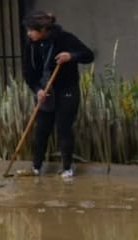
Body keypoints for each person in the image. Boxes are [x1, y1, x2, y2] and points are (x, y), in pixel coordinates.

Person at [22, 10, 95, 180]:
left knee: (64, 128)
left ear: (42, 30)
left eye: (31, 30)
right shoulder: (31, 45)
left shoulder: (65, 38)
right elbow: (28, 72)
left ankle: (67, 168)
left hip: (66, 89)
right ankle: (36, 166)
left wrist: (71, 56)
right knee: (41, 129)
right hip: (45, 91)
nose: (28, 33)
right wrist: (37, 89)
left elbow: (88, 55)